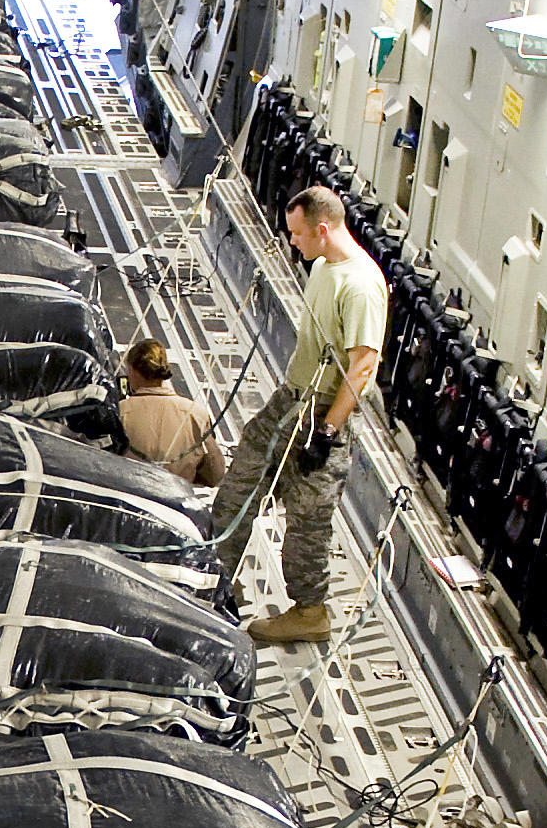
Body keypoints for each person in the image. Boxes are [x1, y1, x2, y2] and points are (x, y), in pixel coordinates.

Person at [216, 184, 389, 647]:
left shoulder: (362, 285)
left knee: (307, 520)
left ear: (323, 228)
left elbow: (364, 364)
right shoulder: (322, 266)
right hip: (290, 400)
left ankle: (310, 611)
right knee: (239, 485)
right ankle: (216, 577)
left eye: (297, 233)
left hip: (320, 414)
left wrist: (328, 430)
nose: (292, 241)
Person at [115, 337, 227, 489]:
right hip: (175, 501)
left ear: (133, 371)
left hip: (130, 495)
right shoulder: (196, 414)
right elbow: (215, 473)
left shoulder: (119, 411)